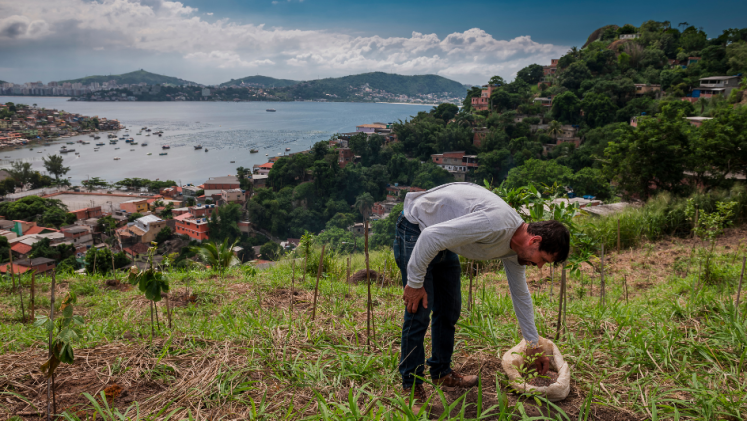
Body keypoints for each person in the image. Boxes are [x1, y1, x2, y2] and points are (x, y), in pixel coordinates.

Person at [393, 182, 570, 411]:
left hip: (443, 237)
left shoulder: (515, 250)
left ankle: (440, 372)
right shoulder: (495, 224)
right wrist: (415, 283)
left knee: (449, 309)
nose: (539, 266)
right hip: (417, 228)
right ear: (534, 241)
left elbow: (520, 294)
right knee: (418, 310)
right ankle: (411, 386)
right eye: (543, 259)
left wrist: (534, 344)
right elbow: (430, 236)